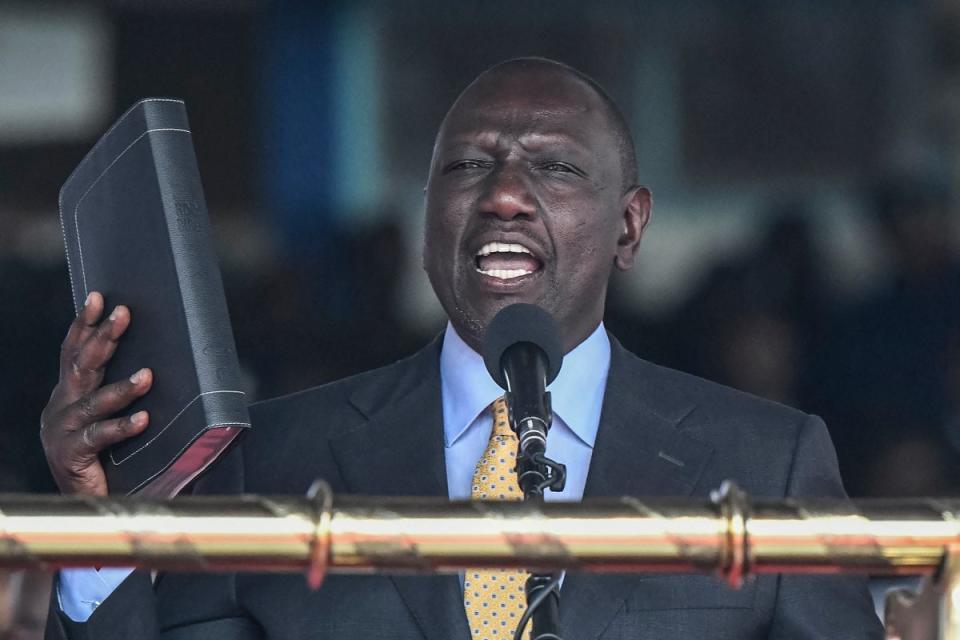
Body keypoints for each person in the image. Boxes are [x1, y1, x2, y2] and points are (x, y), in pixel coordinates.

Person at [41, 57, 883, 639]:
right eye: (468, 166)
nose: (506, 194)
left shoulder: (768, 463)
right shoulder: (270, 460)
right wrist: (95, 521)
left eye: (553, 170)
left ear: (629, 227)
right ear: (426, 221)